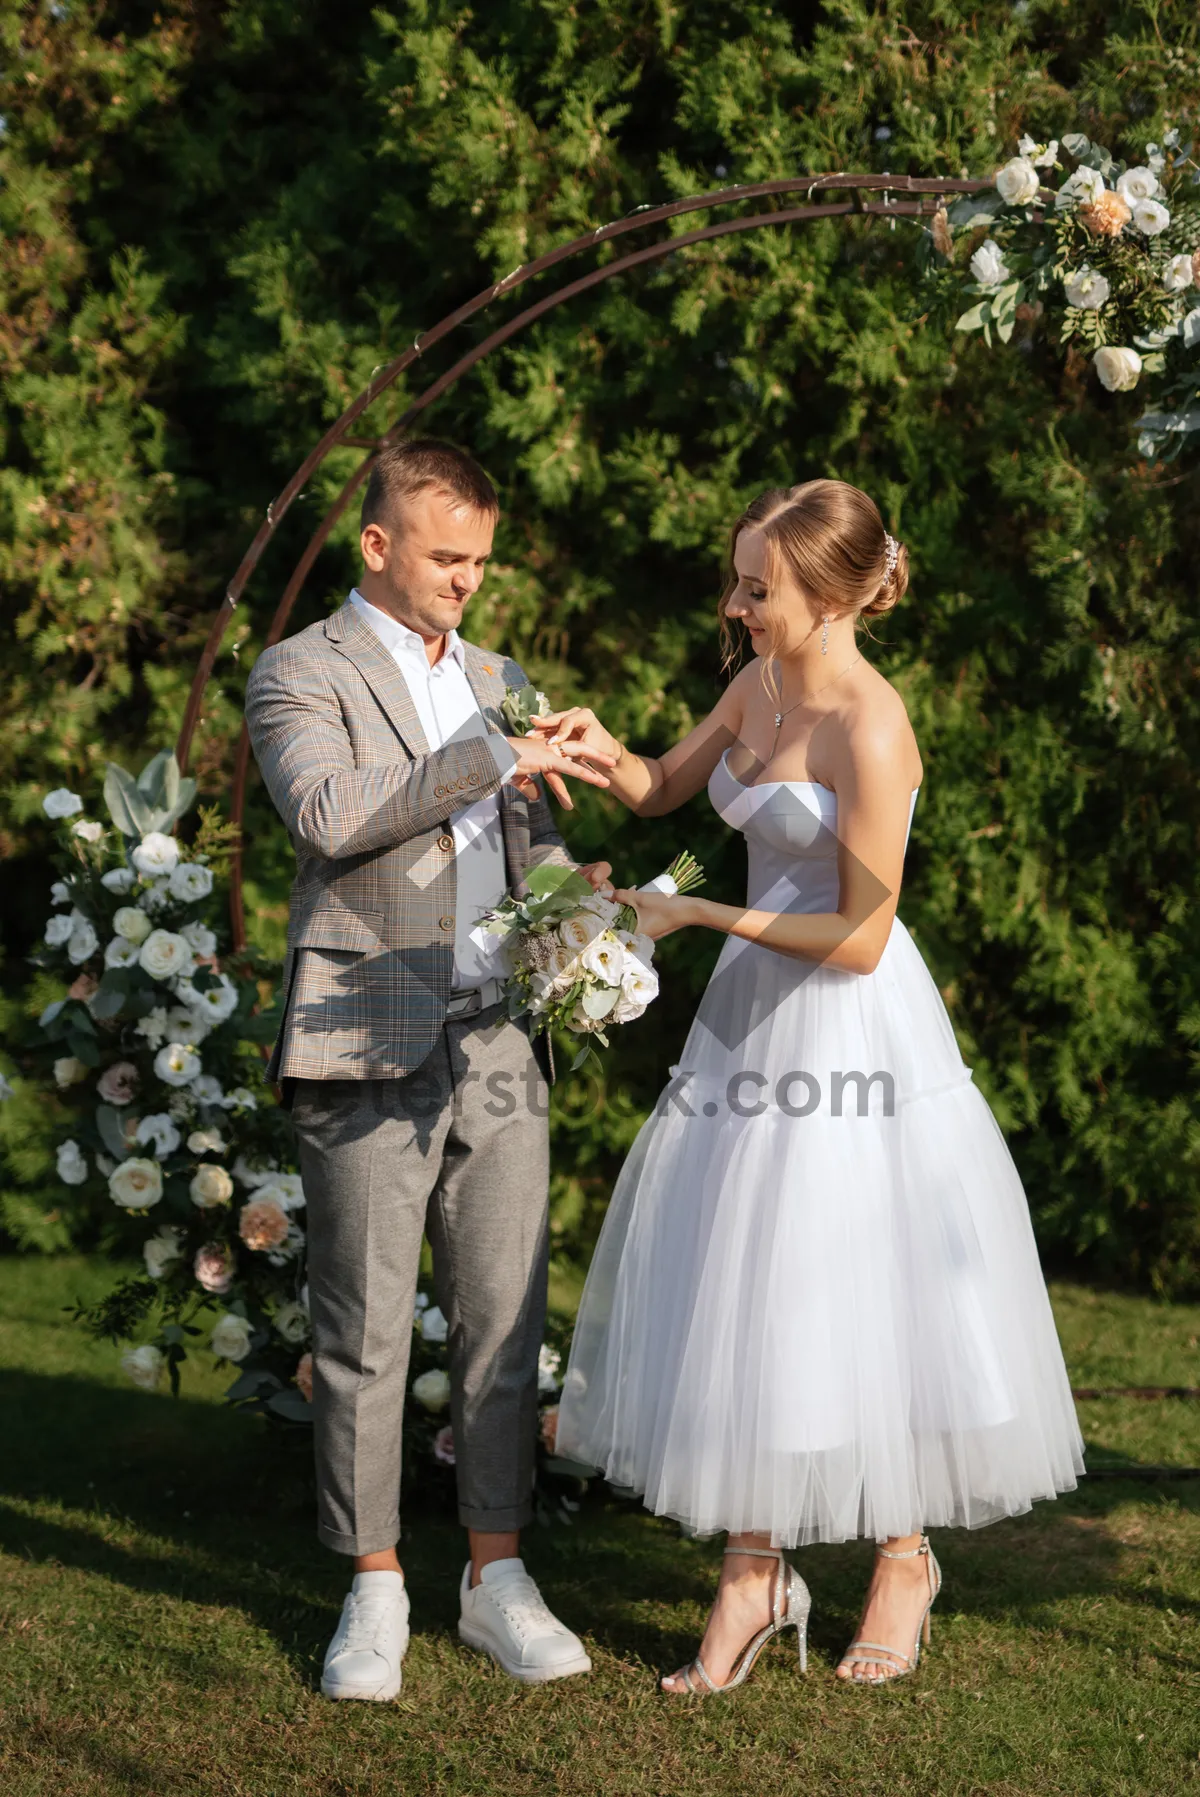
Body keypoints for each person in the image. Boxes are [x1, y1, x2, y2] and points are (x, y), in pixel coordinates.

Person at [542, 478, 1085, 1694]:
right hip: (748, 1023)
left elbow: (862, 937)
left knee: (854, 1277)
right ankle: (752, 1570)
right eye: (739, 580)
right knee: (742, 1276)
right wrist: (599, 751)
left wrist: (695, 911)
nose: (736, 607)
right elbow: (664, 787)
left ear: (836, 595)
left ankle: (903, 1557)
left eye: (759, 588)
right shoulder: (762, 682)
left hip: (847, 1031)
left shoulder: (869, 724)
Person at [245, 438, 617, 1699]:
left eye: (480, 561)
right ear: (379, 545)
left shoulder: (503, 676)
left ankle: (496, 1579)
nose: (468, 580)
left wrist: (584, 912)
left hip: (499, 1033)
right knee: (364, 1329)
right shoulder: (300, 669)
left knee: (505, 1321)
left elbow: (524, 848)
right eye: (447, 557)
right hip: (363, 1024)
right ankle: (376, 1586)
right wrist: (486, 755)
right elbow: (330, 815)